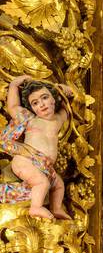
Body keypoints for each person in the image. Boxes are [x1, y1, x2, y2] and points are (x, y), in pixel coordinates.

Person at [1, 75, 73, 219]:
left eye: (45, 97)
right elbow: (13, 107)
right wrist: (15, 85)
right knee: (42, 182)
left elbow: (70, 104)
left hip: (46, 166)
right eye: (35, 103)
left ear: (54, 98)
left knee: (58, 185)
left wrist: (67, 92)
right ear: (32, 108)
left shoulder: (58, 119)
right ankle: (36, 207)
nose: (41, 104)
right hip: (26, 160)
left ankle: (56, 208)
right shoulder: (31, 120)